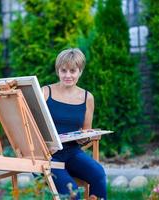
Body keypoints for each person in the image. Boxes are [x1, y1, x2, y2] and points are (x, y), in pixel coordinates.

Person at [42, 48, 106, 199]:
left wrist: (85, 138)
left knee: (99, 174)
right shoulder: (45, 92)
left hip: (72, 153)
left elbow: (86, 130)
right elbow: (31, 127)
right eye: (63, 70)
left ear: (80, 71)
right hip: (47, 156)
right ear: (58, 71)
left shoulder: (87, 98)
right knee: (73, 193)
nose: (68, 75)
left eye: (73, 71)